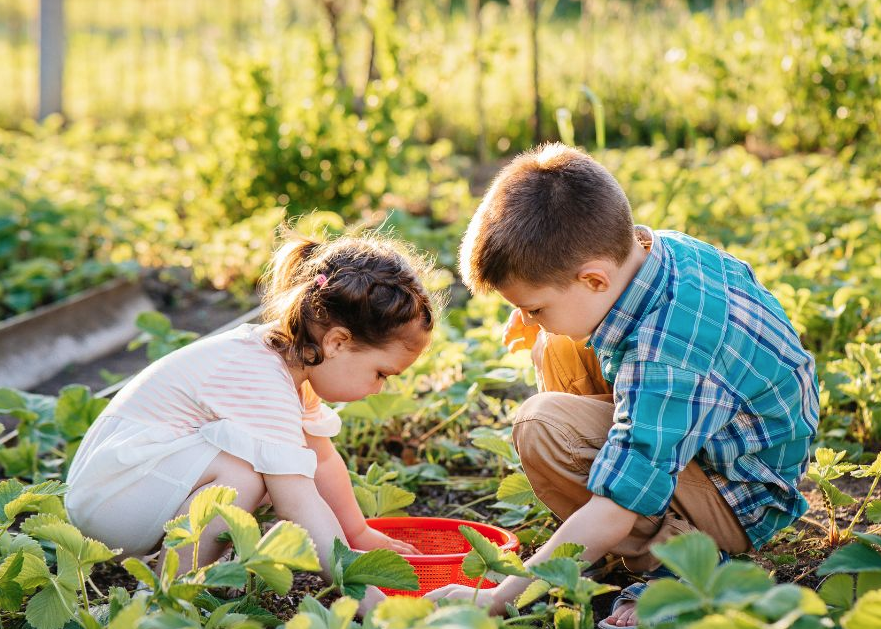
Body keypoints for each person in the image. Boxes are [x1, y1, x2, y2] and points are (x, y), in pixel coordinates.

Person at [425, 143, 818, 629]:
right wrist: (541, 319)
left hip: (739, 494)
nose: (528, 316)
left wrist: (498, 598)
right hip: (713, 438)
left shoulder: (668, 350)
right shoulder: (645, 254)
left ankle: (675, 567)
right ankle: (606, 525)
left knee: (542, 427)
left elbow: (618, 507)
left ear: (593, 279)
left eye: (535, 306)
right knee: (557, 343)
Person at [66, 231, 438, 613]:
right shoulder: (260, 377)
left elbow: (324, 462)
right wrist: (366, 599)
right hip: (111, 502)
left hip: (132, 489)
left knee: (268, 464)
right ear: (337, 343)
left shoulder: (292, 367)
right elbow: (298, 502)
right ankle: (169, 599)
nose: (379, 388)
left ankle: (200, 577)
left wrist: (357, 533)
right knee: (245, 473)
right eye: (381, 373)